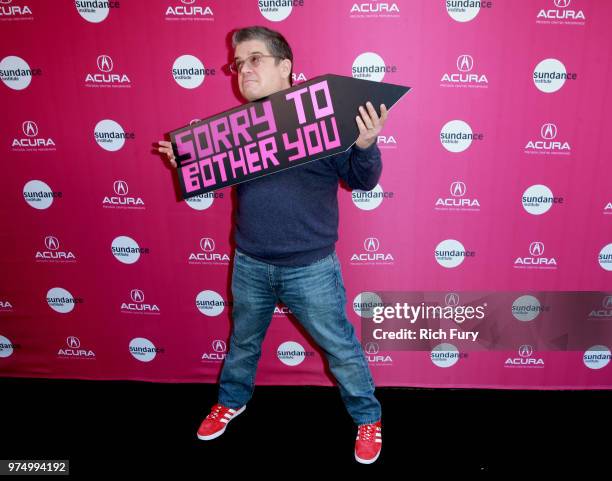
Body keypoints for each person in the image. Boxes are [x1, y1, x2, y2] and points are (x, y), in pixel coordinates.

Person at [157, 26, 388, 464]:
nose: (244, 69)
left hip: (311, 267)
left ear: (286, 67)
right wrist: (187, 161)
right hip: (250, 263)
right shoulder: (232, 132)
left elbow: (363, 180)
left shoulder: (324, 119)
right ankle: (232, 400)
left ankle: (367, 418)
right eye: (238, 63)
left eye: (255, 59)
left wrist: (366, 144)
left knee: (340, 347)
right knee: (243, 342)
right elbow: (201, 183)